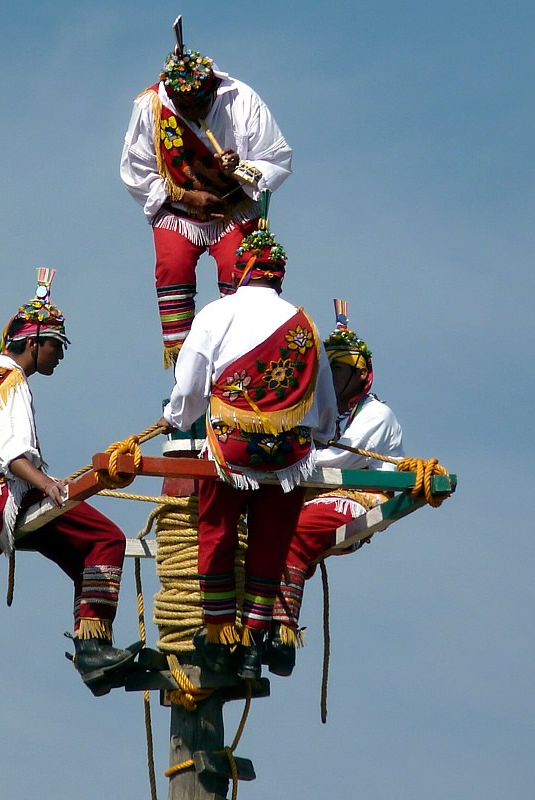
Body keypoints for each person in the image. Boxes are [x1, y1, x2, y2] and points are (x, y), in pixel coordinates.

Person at [159, 215, 335, 680]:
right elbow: (325, 416)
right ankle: (255, 640)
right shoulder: (306, 326)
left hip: (230, 454)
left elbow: (190, 387)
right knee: (270, 545)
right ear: (279, 275)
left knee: (215, 534)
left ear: (240, 271)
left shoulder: (217, 314)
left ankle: (219, 637)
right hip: (289, 461)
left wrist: (175, 418)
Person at [0, 269, 139, 693]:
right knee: (108, 540)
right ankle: (93, 652)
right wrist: (49, 484)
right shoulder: (12, 381)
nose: (59, 355)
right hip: (13, 496)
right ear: (33, 343)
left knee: (85, 559)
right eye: (55, 345)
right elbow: (13, 453)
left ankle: (94, 655)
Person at [121, 31, 292, 368]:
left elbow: (276, 159)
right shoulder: (152, 106)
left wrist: (240, 168)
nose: (193, 113)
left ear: (211, 90)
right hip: (179, 210)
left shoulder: (242, 100)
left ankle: (239, 359)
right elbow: (134, 169)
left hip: (234, 210)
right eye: (184, 107)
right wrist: (189, 196)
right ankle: (187, 369)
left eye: (199, 106)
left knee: (241, 274)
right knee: (173, 268)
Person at [266, 301, 405, 676]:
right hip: (316, 494)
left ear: (361, 376)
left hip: (359, 500)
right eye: (328, 373)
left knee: (293, 533)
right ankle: (250, 627)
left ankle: (282, 633)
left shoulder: (377, 415)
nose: (332, 381)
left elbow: (335, 462)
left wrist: (279, 458)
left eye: (339, 372)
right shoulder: (322, 416)